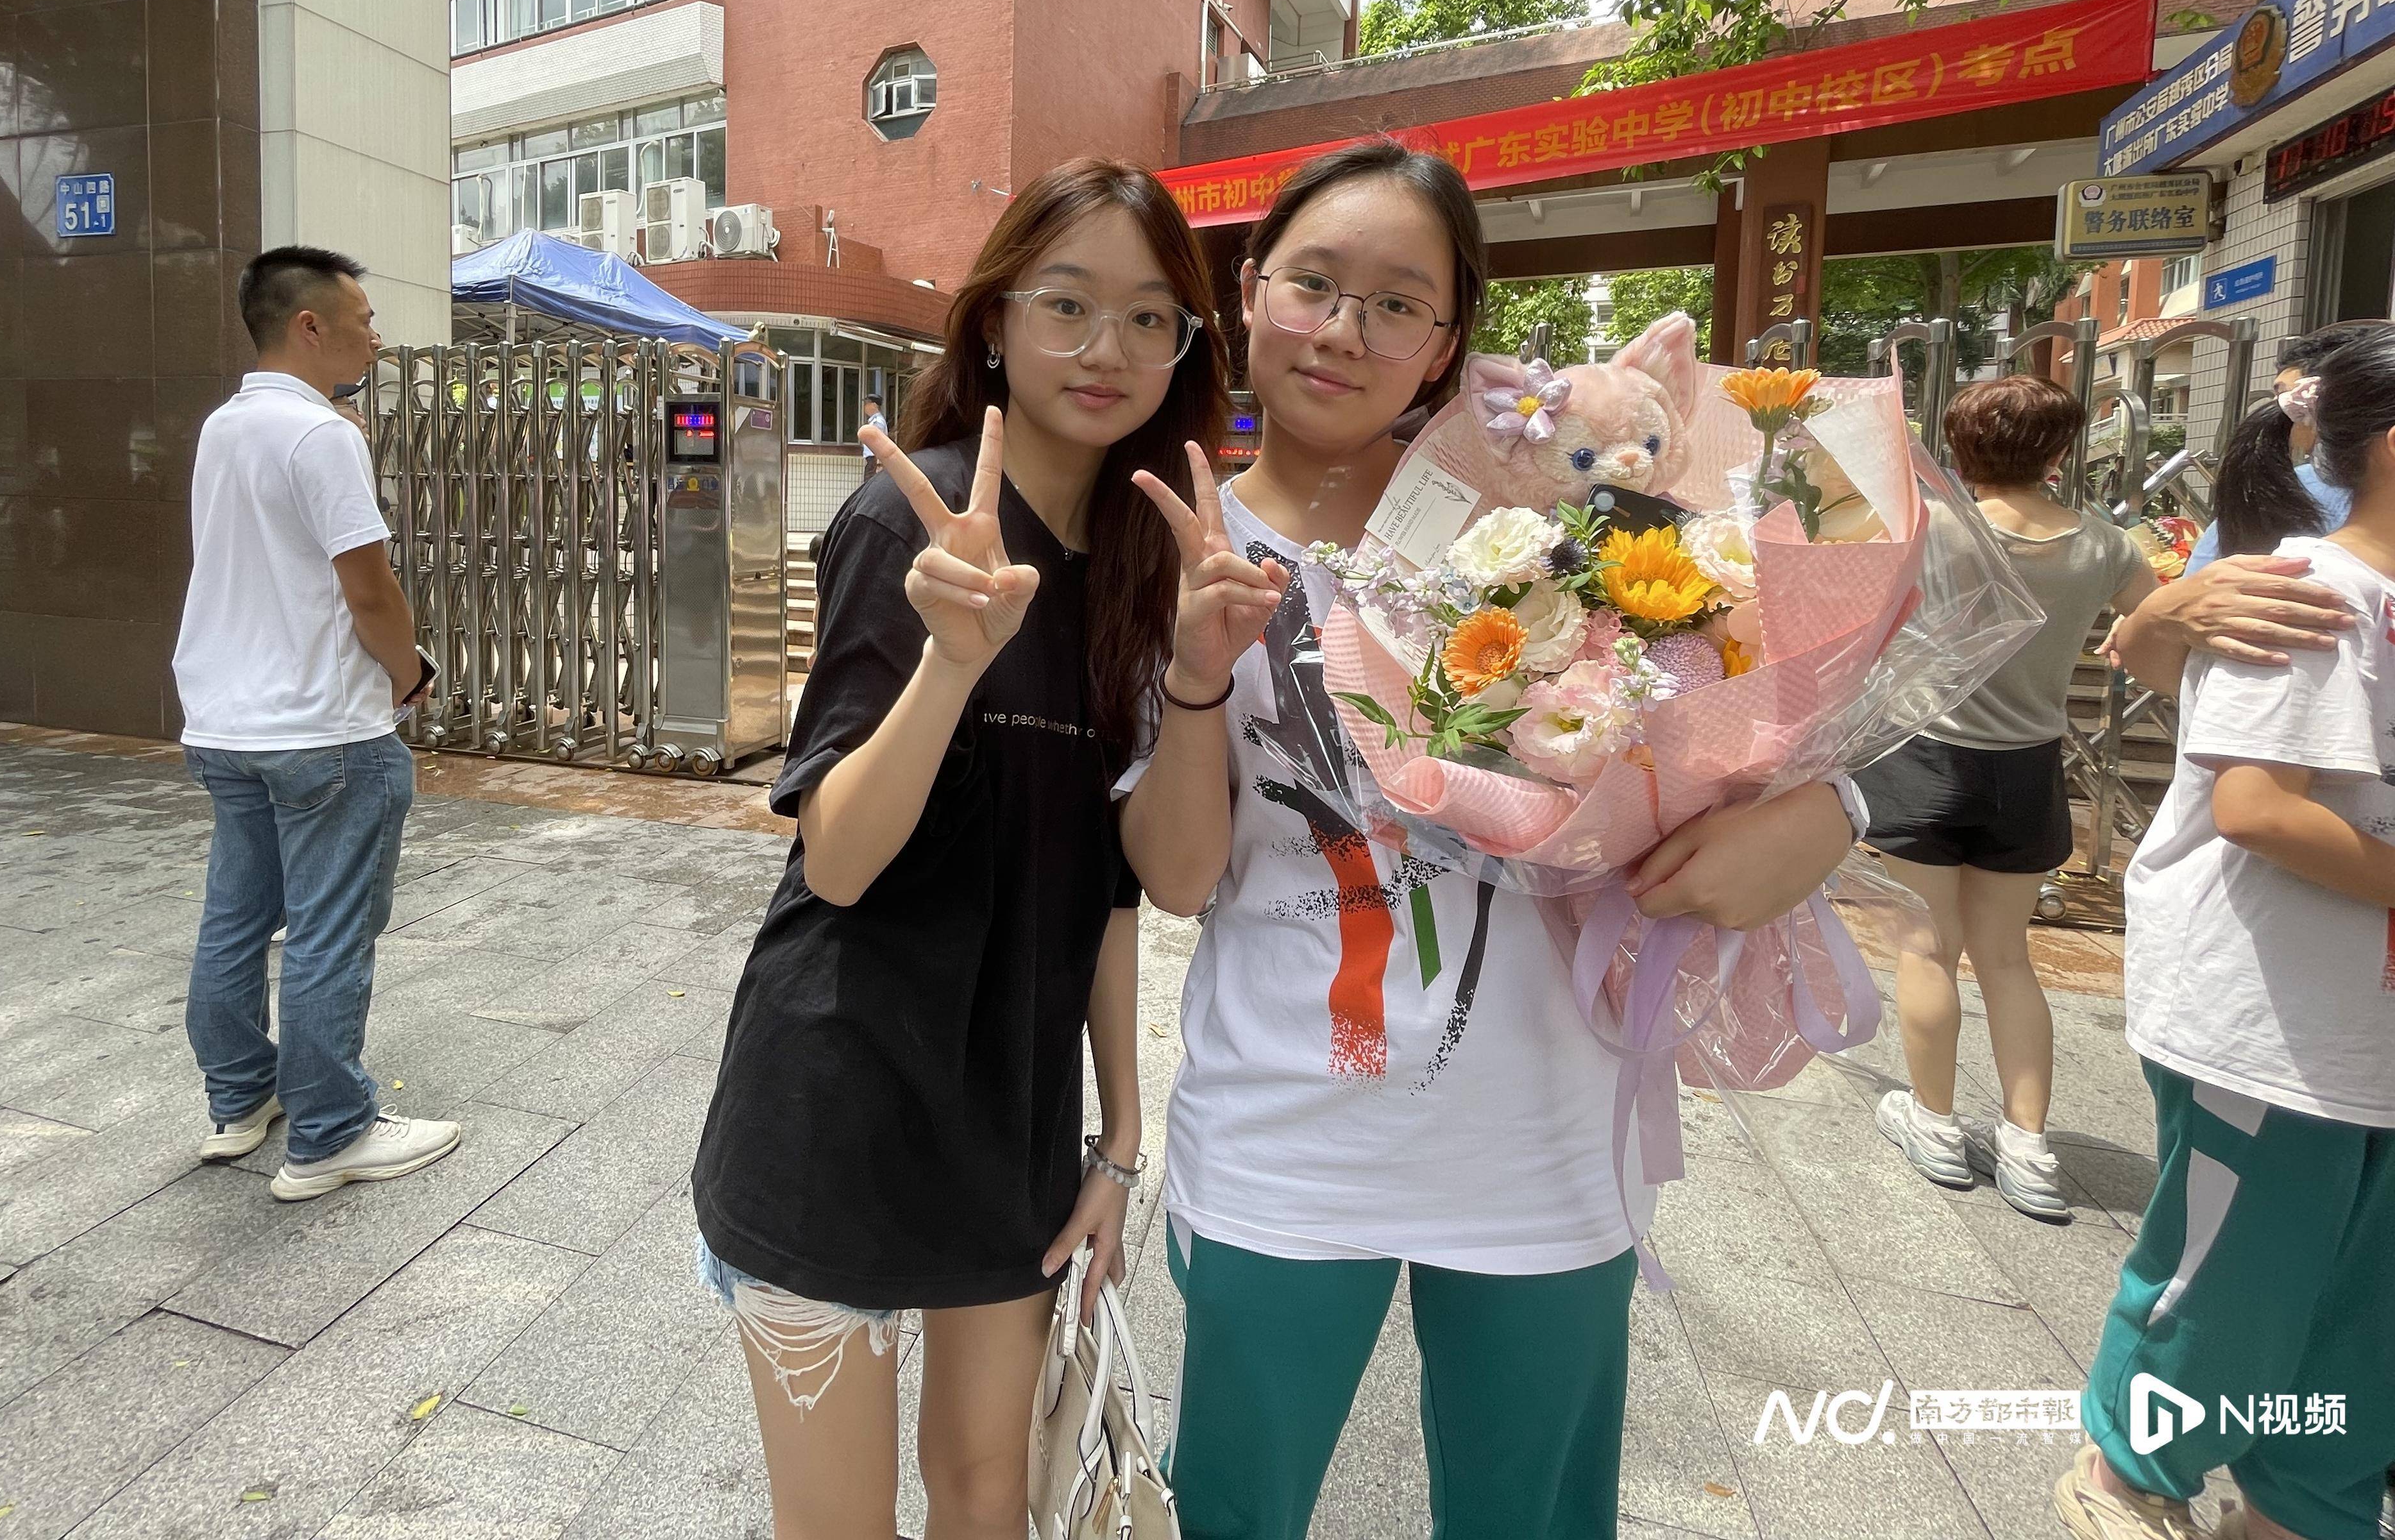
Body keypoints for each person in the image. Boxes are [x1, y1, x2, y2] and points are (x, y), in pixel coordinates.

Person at [1113, 140, 1863, 1540]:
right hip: (1286, 1131)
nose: (1345, 330)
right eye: (1313, 283)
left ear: (1452, 340)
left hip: (1544, 1131)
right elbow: (1175, 875)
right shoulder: (1167, 533)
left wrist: (1834, 811)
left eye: (1399, 302)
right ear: (1249, 290)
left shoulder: (1552, 515)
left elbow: (1777, 689)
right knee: (1231, 1511)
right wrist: (1196, 672)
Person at [688, 160, 1226, 1540]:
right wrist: (951, 661)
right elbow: (840, 861)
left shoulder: (1138, 567)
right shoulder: (911, 522)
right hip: (839, 1100)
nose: (1108, 349)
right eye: (1067, 304)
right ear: (995, 319)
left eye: (1150, 318)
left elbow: (1119, 887)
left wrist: (1118, 1137)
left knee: (989, 1497)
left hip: (1013, 1115)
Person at [2052, 322, 2395, 1540]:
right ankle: (2129, 1471)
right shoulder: (2311, 594)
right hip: (2274, 1022)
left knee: (2361, 1309)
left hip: (2359, 1029)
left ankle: (2307, 1503)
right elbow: (2256, 805)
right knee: (2235, 1281)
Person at [173, 247, 460, 1201]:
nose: (375, 336)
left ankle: (239, 1100)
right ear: (310, 325)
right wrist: (410, 673)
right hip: (322, 727)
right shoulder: (321, 436)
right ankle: (333, 1133)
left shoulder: (225, 426)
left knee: (235, 920)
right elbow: (368, 589)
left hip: (225, 721)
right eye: (364, 319)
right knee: (329, 932)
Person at [1856, 375, 2161, 1219]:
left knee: (1927, 949)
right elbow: (2159, 625)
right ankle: (2029, 1147)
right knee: (2008, 956)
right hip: (2028, 769)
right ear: (2060, 451)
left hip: (1922, 756)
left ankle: (1935, 1123)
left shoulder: (1927, 525)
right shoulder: (2106, 547)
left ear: (1958, 448)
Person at [2178, 323, 2375, 573]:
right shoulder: (2356, 490)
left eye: (2283, 394)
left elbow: (2200, 575)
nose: (2281, 408)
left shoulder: (2278, 485)